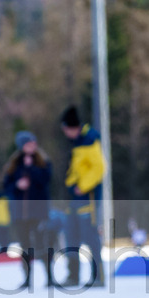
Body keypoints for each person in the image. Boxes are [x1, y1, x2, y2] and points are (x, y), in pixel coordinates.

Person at [59, 105, 106, 287]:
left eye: (66, 130)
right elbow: (76, 169)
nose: (65, 134)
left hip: (88, 198)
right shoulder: (78, 142)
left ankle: (98, 276)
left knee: (91, 236)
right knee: (71, 235)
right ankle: (73, 275)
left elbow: (99, 168)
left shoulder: (90, 139)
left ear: (73, 127)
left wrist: (82, 186)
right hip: (75, 198)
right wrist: (70, 183)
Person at [2, 131, 52, 288]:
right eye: (29, 144)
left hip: (38, 212)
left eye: (33, 143)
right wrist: (17, 185)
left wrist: (31, 169)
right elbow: (6, 186)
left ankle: (49, 277)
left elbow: (46, 180)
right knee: (24, 246)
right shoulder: (13, 164)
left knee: (41, 244)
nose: (32, 146)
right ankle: (27, 278)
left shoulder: (43, 162)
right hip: (19, 213)